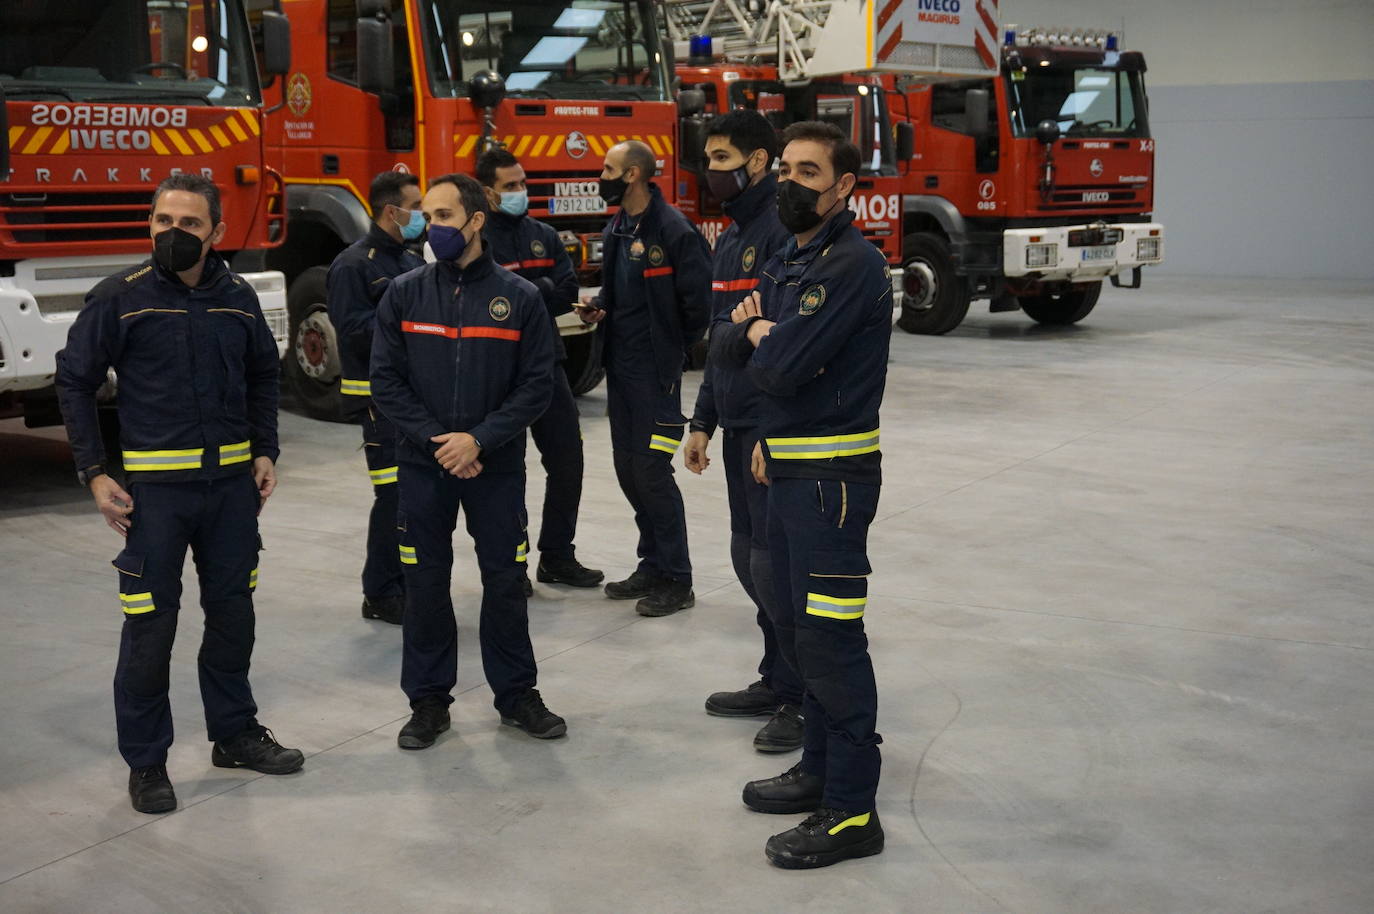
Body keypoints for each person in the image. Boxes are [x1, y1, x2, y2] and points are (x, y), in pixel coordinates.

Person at [55, 174, 304, 815]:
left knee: (232, 617)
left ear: (216, 232)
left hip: (230, 496)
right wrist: (94, 472)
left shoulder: (238, 297)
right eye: (163, 220)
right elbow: (75, 381)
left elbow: (261, 377)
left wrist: (265, 449)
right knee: (149, 627)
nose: (173, 233)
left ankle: (235, 733)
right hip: (156, 501)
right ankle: (147, 764)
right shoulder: (121, 298)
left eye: (189, 224)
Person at [715, 122, 892, 868]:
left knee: (830, 642)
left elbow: (778, 363)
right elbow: (741, 344)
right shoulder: (797, 254)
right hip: (787, 468)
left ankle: (852, 813)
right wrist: (761, 347)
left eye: (809, 172)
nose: (790, 182)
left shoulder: (851, 265)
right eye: (785, 168)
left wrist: (760, 337)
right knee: (796, 631)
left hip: (831, 485)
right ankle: (819, 769)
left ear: (845, 186)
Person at [370, 173, 566, 749]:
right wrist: (440, 441)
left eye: (444, 218)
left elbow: (536, 386)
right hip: (424, 465)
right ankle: (428, 702)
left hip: (495, 467)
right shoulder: (404, 293)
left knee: (505, 581)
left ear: (476, 221)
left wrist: (478, 440)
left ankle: (518, 696)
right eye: (428, 217)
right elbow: (386, 380)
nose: (432, 228)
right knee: (424, 582)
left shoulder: (521, 298)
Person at [683, 110, 803, 753]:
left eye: (722, 157)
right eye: (708, 158)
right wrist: (703, 420)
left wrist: (770, 432)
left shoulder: (783, 234)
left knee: (776, 565)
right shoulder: (728, 241)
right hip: (733, 427)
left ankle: (802, 693)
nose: (711, 171)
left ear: (758, 162)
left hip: (769, 430)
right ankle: (775, 676)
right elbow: (723, 341)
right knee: (746, 557)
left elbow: (782, 346)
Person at [578, 140, 711, 617]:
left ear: (632, 174)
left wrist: (672, 348)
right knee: (629, 470)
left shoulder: (673, 230)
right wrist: (600, 306)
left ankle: (678, 578)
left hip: (656, 374)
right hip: (621, 369)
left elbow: (698, 307)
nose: (602, 175)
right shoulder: (618, 226)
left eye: (608, 168)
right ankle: (651, 564)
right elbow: (616, 289)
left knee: (652, 473)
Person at [475, 147, 602, 590]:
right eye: (510, 186)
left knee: (568, 461)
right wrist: (537, 290)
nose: (520, 192)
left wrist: (520, 293)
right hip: (495, 373)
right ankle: (511, 565)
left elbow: (565, 289)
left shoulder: (544, 235)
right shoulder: (477, 240)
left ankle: (557, 556)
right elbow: (482, 299)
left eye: (522, 184)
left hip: (546, 366)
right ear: (488, 194)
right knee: (506, 471)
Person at [326, 170, 426, 625]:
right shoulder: (353, 265)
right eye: (416, 205)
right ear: (392, 211)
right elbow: (353, 330)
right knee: (392, 496)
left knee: (414, 496)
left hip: (410, 400)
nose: (421, 215)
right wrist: (413, 327)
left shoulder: (407, 261)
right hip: (375, 400)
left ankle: (406, 583)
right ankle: (381, 593)